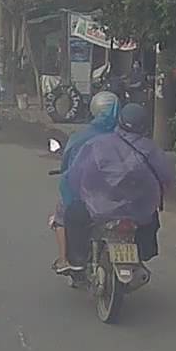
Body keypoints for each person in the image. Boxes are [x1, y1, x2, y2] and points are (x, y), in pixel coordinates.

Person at [65, 103, 176, 283]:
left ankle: (77, 260)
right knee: (152, 220)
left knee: (73, 213)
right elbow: (167, 180)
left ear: (120, 121)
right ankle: (142, 254)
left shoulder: (98, 145)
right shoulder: (153, 151)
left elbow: (76, 175)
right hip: (138, 212)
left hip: (100, 209)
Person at [50, 91, 120, 274]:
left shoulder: (80, 137)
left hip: (86, 197)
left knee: (61, 216)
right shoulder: (125, 136)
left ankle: (64, 260)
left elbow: (67, 164)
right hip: (119, 196)